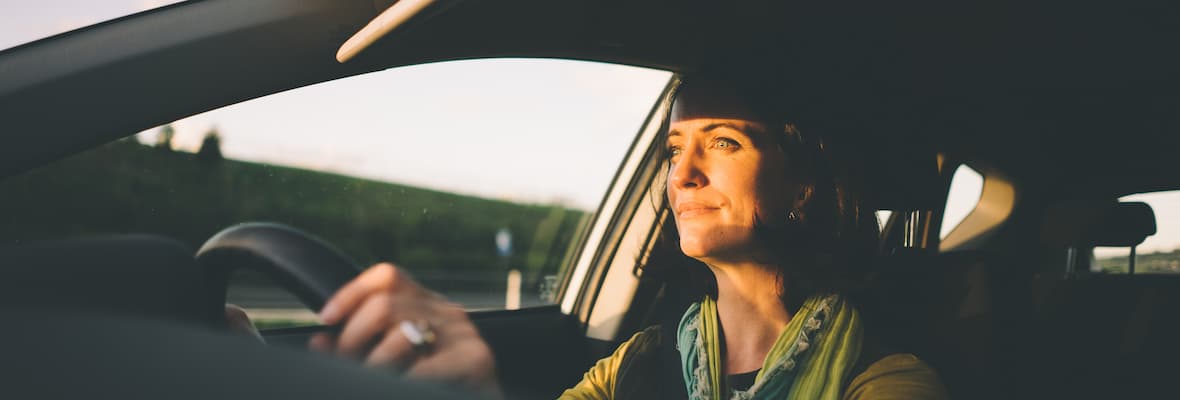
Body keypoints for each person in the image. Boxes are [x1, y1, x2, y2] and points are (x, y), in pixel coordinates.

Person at [232, 71, 948, 400]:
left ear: (803, 187)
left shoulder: (886, 380)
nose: (684, 175)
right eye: (674, 150)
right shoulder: (640, 360)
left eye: (724, 143)